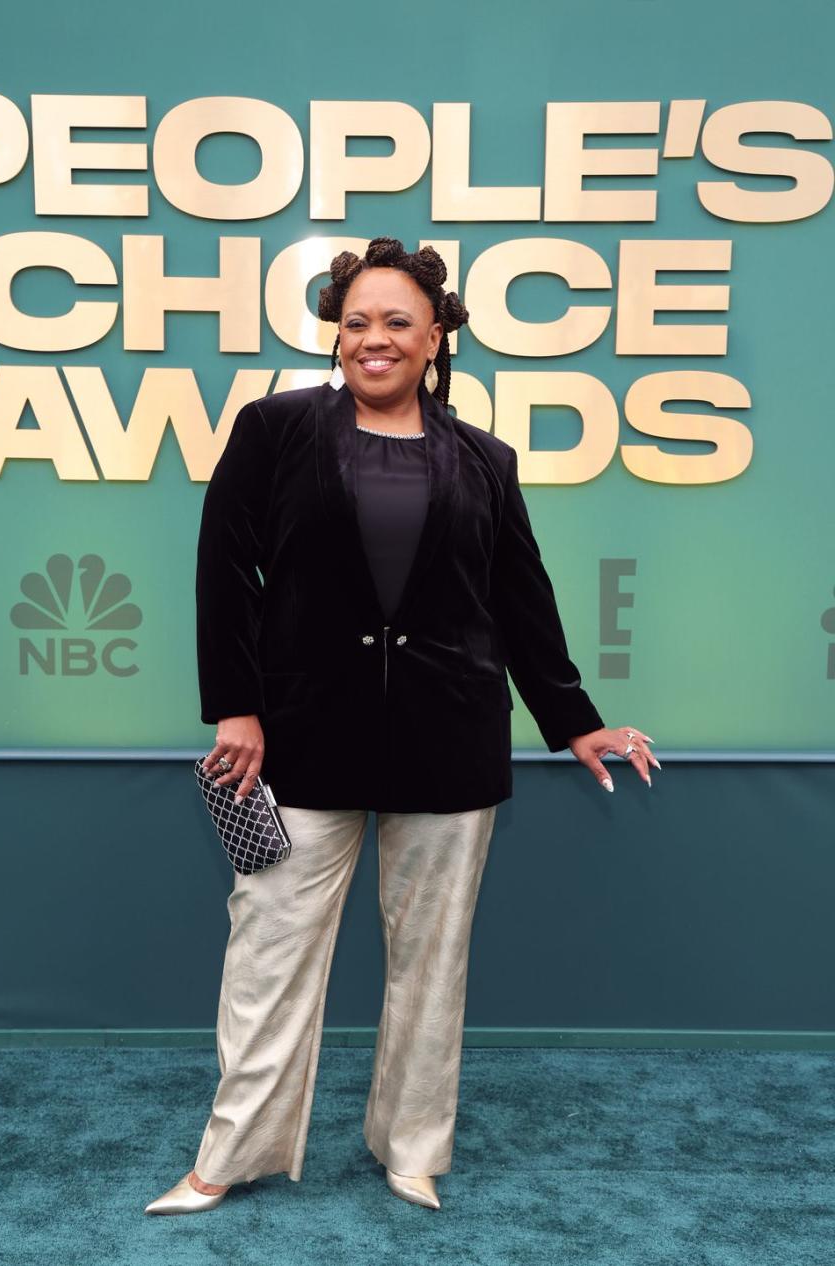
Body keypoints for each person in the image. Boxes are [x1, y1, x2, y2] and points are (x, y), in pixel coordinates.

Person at [145, 237, 660, 1216]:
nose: (371, 339)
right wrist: (237, 704)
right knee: (271, 949)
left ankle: (412, 1148)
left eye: (394, 323)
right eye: (354, 324)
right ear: (336, 337)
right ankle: (230, 1156)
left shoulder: (485, 460)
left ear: (434, 338)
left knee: (433, 961)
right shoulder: (274, 429)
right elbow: (224, 566)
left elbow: (519, 598)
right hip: (299, 734)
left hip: (449, 735)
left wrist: (575, 722)